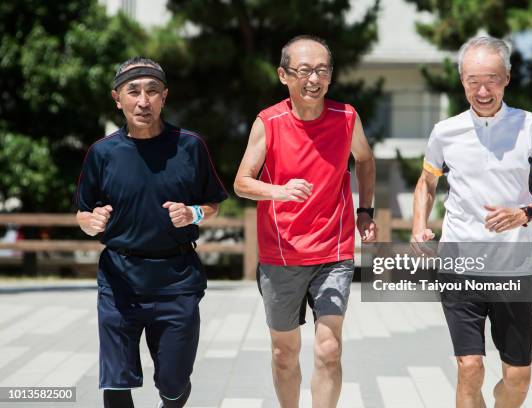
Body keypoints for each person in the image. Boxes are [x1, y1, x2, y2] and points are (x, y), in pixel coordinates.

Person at [412, 36, 532, 408]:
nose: (482, 90)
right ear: (462, 81)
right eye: (472, 81)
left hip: (515, 269)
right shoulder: (445, 132)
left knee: (516, 381)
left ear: (507, 79)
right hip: (460, 263)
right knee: (470, 368)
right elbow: (426, 182)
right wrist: (419, 224)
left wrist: (525, 213)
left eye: (491, 80)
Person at [75, 57, 227, 408]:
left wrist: (194, 213)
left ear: (164, 97)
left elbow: (214, 204)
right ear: (118, 99)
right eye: (134, 92)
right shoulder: (102, 153)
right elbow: (83, 211)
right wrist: (88, 221)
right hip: (119, 280)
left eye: (152, 91)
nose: (143, 101)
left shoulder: (190, 146)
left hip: (177, 280)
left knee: (174, 385)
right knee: (115, 381)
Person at [234, 35, 376, 408]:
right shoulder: (269, 122)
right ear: (284, 75)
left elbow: (364, 160)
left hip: (334, 252)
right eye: (304, 71)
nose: (314, 79)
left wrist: (366, 210)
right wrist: (278, 191)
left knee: (329, 349)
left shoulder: (347, 118)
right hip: (282, 256)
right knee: (285, 352)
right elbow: (241, 183)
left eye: (322, 71)